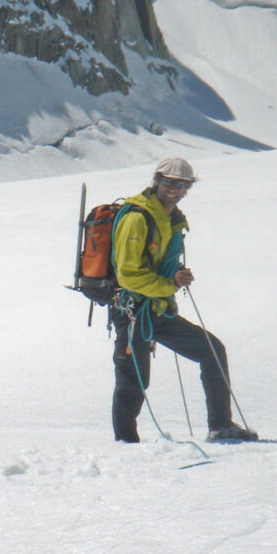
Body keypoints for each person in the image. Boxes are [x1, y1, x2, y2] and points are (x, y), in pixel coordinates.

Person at [110, 156, 257, 444]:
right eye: (169, 183)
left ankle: (221, 427)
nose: (174, 189)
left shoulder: (171, 218)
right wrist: (169, 283)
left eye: (182, 185)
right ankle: (126, 444)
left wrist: (174, 275)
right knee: (134, 380)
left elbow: (157, 261)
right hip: (132, 310)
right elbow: (127, 275)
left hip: (157, 309)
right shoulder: (137, 217)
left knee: (212, 351)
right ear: (157, 180)